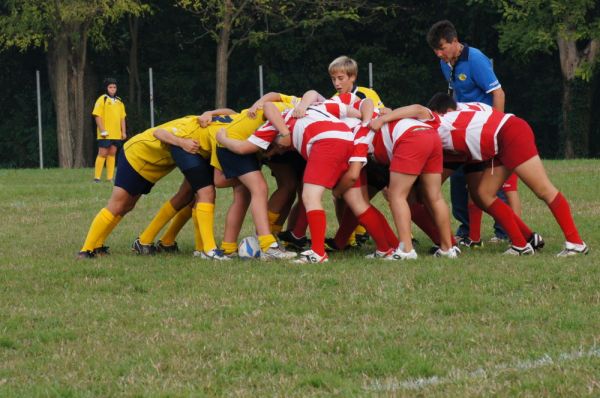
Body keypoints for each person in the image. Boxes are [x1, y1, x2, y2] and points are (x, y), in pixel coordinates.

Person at [389, 93, 589, 257]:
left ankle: (575, 242)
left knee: (543, 189)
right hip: (501, 139)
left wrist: (385, 117)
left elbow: (417, 110)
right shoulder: (468, 108)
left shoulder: (439, 121)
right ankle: (521, 244)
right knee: (483, 194)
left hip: (509, 136)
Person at [217, 97, 398, 263]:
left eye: (275, 148)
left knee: (310, 197)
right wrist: (368, 120)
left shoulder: (270, 127)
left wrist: (222, 138)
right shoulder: (318, 107)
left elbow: (242, 146)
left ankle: (318, 253)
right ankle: (386, 248)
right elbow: (355, 112)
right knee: (359, 203)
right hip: (350, 140)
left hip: (325, 143)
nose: (279, 150)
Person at [77, 114, 229, 259]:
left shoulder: (216, 122)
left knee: (127, 205)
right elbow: (159, 133)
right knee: (117, 205)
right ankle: (86, 250)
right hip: (136, 156)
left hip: (151, 165)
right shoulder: (189, 128)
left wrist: (210, 112)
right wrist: (183, 142)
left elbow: (229, 112)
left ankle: (98, 245)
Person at [426, 20, 519, 244]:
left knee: (491, 182)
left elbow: (498, 93)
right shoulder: (445, 63)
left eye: (442, 48)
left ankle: (504, 232)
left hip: (483, 131)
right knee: (459, 179)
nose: (439, 54)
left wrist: (496, 131)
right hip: (463, 131)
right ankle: (466, 230)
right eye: (435, 50)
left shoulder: (475, 59)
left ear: (454, 41)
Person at [92, 77, 127, 182]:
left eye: (114, 87)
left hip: (116, 134)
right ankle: (97, 178)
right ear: (106, 88)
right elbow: (97, 115)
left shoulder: (119, 101)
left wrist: (123, 131)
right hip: (105, 134)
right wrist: (102, 130)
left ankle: (110, 178)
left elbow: (122, 118)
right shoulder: (102, 99)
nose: (112, 89)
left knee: (112, 154)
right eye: (110, 87)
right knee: (102, 154)